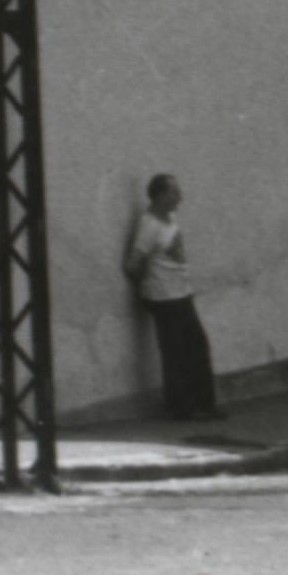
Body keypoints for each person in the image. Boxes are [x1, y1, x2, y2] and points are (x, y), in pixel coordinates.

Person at [125, 173, 218, 422]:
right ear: (161, 195)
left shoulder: (169, 219)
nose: (180, 198)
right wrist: (151, 285)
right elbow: (133, 264)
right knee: (175, 354)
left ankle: (205, 404)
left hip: (182, 294)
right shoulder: (149, 225)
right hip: (164, 299)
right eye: (175, 193)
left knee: (198, 347)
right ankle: (182, 408)